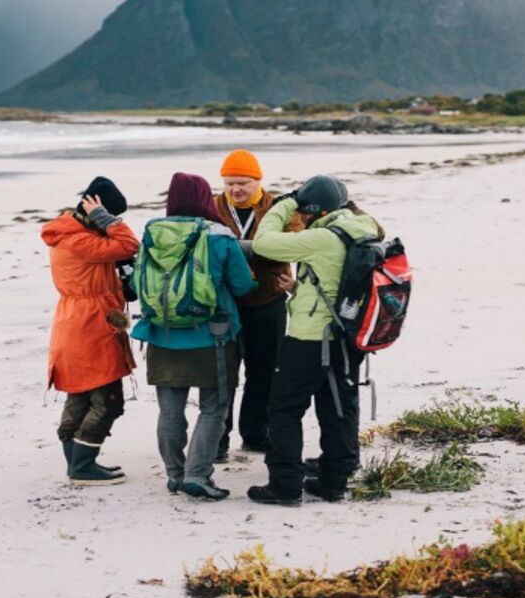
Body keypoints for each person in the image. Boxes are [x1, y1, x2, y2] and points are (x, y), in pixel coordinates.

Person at [247, 175, 382, 506]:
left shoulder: (323, 237)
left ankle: (285, 485)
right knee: (338, 406)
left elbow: (264, 242)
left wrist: (284, 203)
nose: (300, 218)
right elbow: (336, 281)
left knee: (283, 408)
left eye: (303, 211)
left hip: (310, 338)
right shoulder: (362, 230)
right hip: (347, 335)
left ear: (314, 210)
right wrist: (299, 290)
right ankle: (335, 480)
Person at [131, 172, 255, 500]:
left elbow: (134, 286)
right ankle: (197, 475)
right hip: (213, 336)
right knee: (214, 407)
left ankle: (174, 474)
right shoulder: (219, 237)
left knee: (170, 410)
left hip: (161, 335)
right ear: (204, 198)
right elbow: (243, 285)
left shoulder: (152, 234)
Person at [41, 176, 139, 486]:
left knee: (81, 393)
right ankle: (82, 465)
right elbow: (129, 243)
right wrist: (106, 220)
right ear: (96, 211)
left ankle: (78, 461)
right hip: (89, 324)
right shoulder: (79, 239)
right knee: (108, 399)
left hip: (77, 320)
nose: (115, 222)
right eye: (112, 215)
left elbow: (115, 257)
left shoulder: (71, 233)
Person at [212, 149, 293, 458]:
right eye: (230, 183)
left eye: (243, 183)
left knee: (264, 370)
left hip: (268, 299)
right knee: (223, 374)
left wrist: (235, 249)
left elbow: (288, 247)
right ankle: (218, 438)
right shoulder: (214, 206)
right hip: (225, 303)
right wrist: (258, 249)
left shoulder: (278, 207)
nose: (235, 190)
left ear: (258, 181)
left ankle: (256, 434)